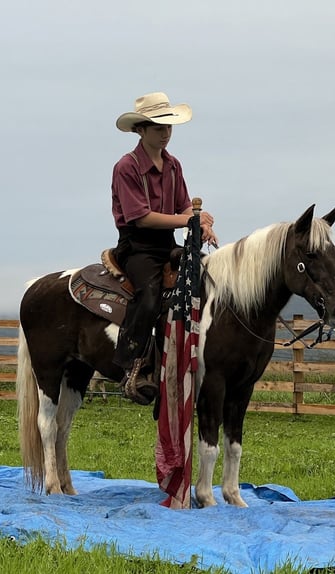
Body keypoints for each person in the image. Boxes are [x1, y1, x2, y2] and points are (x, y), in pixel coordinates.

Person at [110, 92, 217, 405]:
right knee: (149, 293)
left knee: (207, 277)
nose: (166, 132)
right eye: (159, 127)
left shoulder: (173, 165)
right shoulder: (127, 167)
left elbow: (184, 204)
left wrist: (200, 223)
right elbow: (140, 217)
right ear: (141, 129)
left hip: (166, 244)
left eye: (168, 126)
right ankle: (133, 365)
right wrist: (186, 221)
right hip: (136, 247)